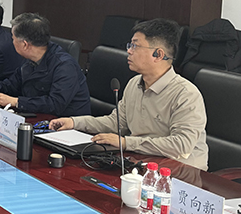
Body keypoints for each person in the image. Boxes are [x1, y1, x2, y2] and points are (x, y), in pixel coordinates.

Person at [49, 18, 209, 170]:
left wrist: (126, 143)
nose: (129, 51)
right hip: (142, 162)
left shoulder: (185, 94)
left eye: (135, 46)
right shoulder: (134, 83)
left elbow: (181, 145)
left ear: (158, 55)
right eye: (130, 45)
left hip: (182, 172)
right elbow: (116, 123)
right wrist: (74, 122)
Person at [0, 13, 90, 116]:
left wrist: (16, 102)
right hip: (37, 117)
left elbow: (55, 104)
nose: (11, 42)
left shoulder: (64, 66)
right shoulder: (30, 59)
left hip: (67, 125)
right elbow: (12, 84)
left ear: (25, 45)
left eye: (13, 38)